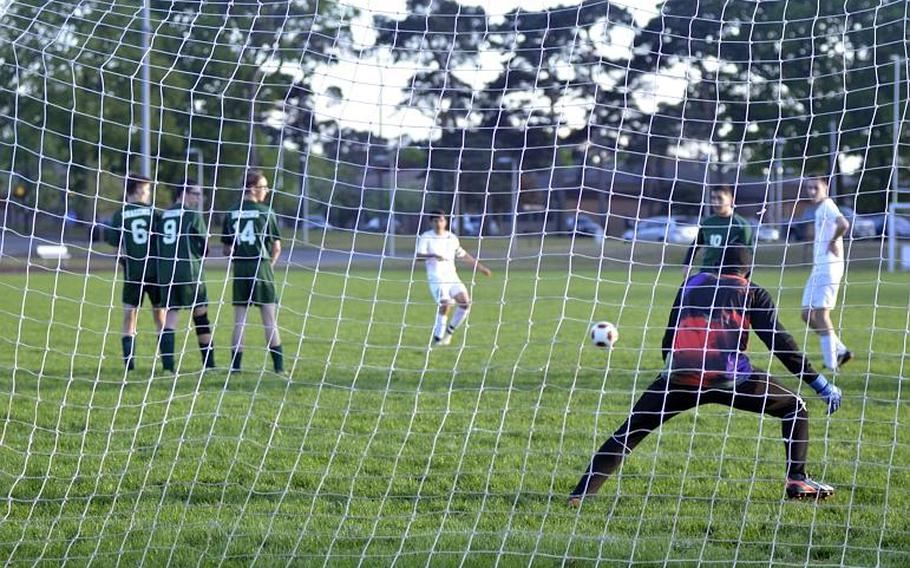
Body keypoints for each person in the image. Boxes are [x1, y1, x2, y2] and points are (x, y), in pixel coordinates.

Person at [570, 246, 842, 505]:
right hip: (731, 377)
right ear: (748, 270)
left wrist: (671, 373)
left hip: (680, 376)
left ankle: (581, 494)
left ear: (714, 265)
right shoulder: (751, 291)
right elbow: (779, 342)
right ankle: (797, 479)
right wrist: (819, 384)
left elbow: (669, 336)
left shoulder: (690, 284)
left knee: (630, 432)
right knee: (795, 407)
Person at [221, 169, 284, 373]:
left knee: (239, 320)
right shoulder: (267, 212)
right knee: (269, 319)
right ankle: (279, 368)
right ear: (252, 188)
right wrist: (269, 266)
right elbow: (276, 248)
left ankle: (235, 368)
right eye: (263, 186)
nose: (267, 190)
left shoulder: (231, 212)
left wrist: (238, 257)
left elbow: (227, 248)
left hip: (241, 268)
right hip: (262, 266)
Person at [104, 174, 165, 370]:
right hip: (156, 273)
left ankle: (129, 365)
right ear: (138, 190)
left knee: (130, 317)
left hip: (132, 274)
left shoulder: (119, 214)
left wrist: (127, 263)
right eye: (147, 190)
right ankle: (166, 361)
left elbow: (116, 250)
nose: (148, 194)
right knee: (160, 317)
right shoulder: (154, 213)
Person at [155, 180, 215, 372]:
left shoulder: (163, 216)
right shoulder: (192, 215)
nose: (199, 198)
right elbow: (205, 248)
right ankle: (209, 365)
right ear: (184, 193)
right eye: (196, 193)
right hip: (190, 273)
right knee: (200, 316)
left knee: (171, 318)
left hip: (167, 273)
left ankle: (168, 367)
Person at [415, 210, 492, 347]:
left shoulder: (452, 238)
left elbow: (463, 255)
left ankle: (448, 334)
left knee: (465, 303)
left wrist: (481, 268)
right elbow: (418, 257)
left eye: (441, 220)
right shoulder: (426, 237)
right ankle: (438, 338)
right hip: (436, 278)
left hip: (452, 277)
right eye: (436, 221)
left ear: (446, 222)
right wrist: (433, 255)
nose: (439, 223)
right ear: (431, 222)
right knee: (446, 304)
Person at [800, 177, 852, 370]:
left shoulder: (828, 205)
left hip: (829, 267)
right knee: (807, 315)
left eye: (816, 187)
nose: (811, 191)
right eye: (809, 188)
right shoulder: (820, 209)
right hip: (818, 267)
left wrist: (832, 241)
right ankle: (840, 350)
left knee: (821, 315)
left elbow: (843, 224)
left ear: (825, 188)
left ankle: (831, 366)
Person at [682, 185, 754, 278]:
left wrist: (744, 279)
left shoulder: (741, 225)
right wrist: (687, 264)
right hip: (706, 273)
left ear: (731, 200)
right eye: (713, 198)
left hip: (727, 277)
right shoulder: (707, 222)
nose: (716, 202)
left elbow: (747, 256)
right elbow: (695, 244)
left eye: (720, 198)